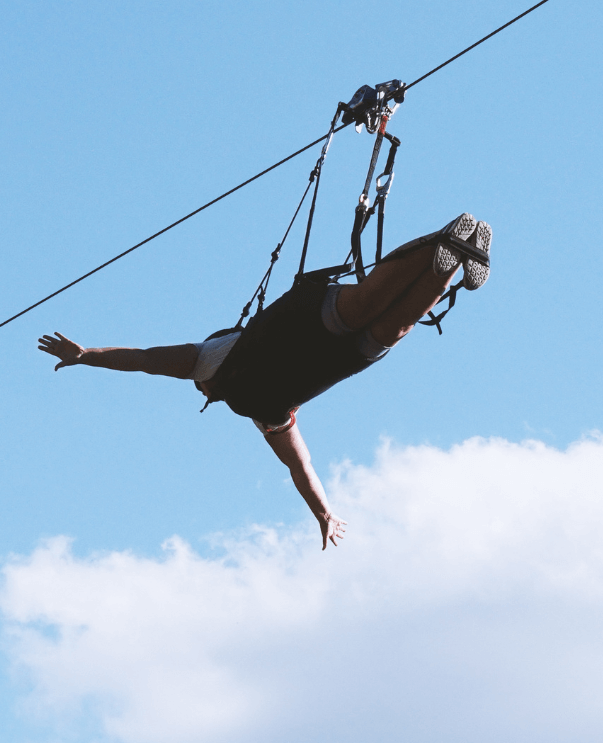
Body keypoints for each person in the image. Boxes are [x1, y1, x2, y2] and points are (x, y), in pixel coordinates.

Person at [38, 213, 491, 551]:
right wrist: (325, 512)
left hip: (308, 325)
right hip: (340, 357)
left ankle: (446, 239)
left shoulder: (208, 360)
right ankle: (449, 261)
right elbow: (300, 467)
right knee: (396, 325)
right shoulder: (267, 417)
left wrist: (87, 356)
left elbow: (145, 360)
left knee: (368, 301)